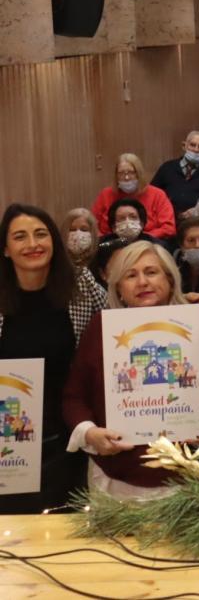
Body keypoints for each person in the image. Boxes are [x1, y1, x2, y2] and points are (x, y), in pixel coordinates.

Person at [63, 241, 199, 499]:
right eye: (130, 275)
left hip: (190, 480)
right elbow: (74, 397)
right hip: (115, 480)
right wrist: (89, 432)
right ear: (119, 288)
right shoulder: (100, 329)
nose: (142, 282)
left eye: (151, 272)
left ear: (170, 279)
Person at [0, 204, 105, 513]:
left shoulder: (81, 286)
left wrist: (179, 303)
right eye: (20, 237)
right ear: (6, 249)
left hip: (69, 435)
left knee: (65, 526)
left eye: (40, 234)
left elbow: (117, 326)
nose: (32, 244)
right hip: (10, 438)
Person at [92, 153, 176, 240]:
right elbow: (93, 225)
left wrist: (143, 238)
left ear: (139, 174)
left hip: (148, 242)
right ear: (116, 176)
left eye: (131, 172)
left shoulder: (157, 195)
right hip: (112, 242)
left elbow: (169, 228)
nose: (126, 177)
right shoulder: (106, 194)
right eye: (121, 173)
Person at [151, 131, 199, 218]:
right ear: (184, 146)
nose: (196, 150)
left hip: (198, 220)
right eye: (192, 145)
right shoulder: (167, 167)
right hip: (168, 218)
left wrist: (197, 210)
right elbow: (152, 193)